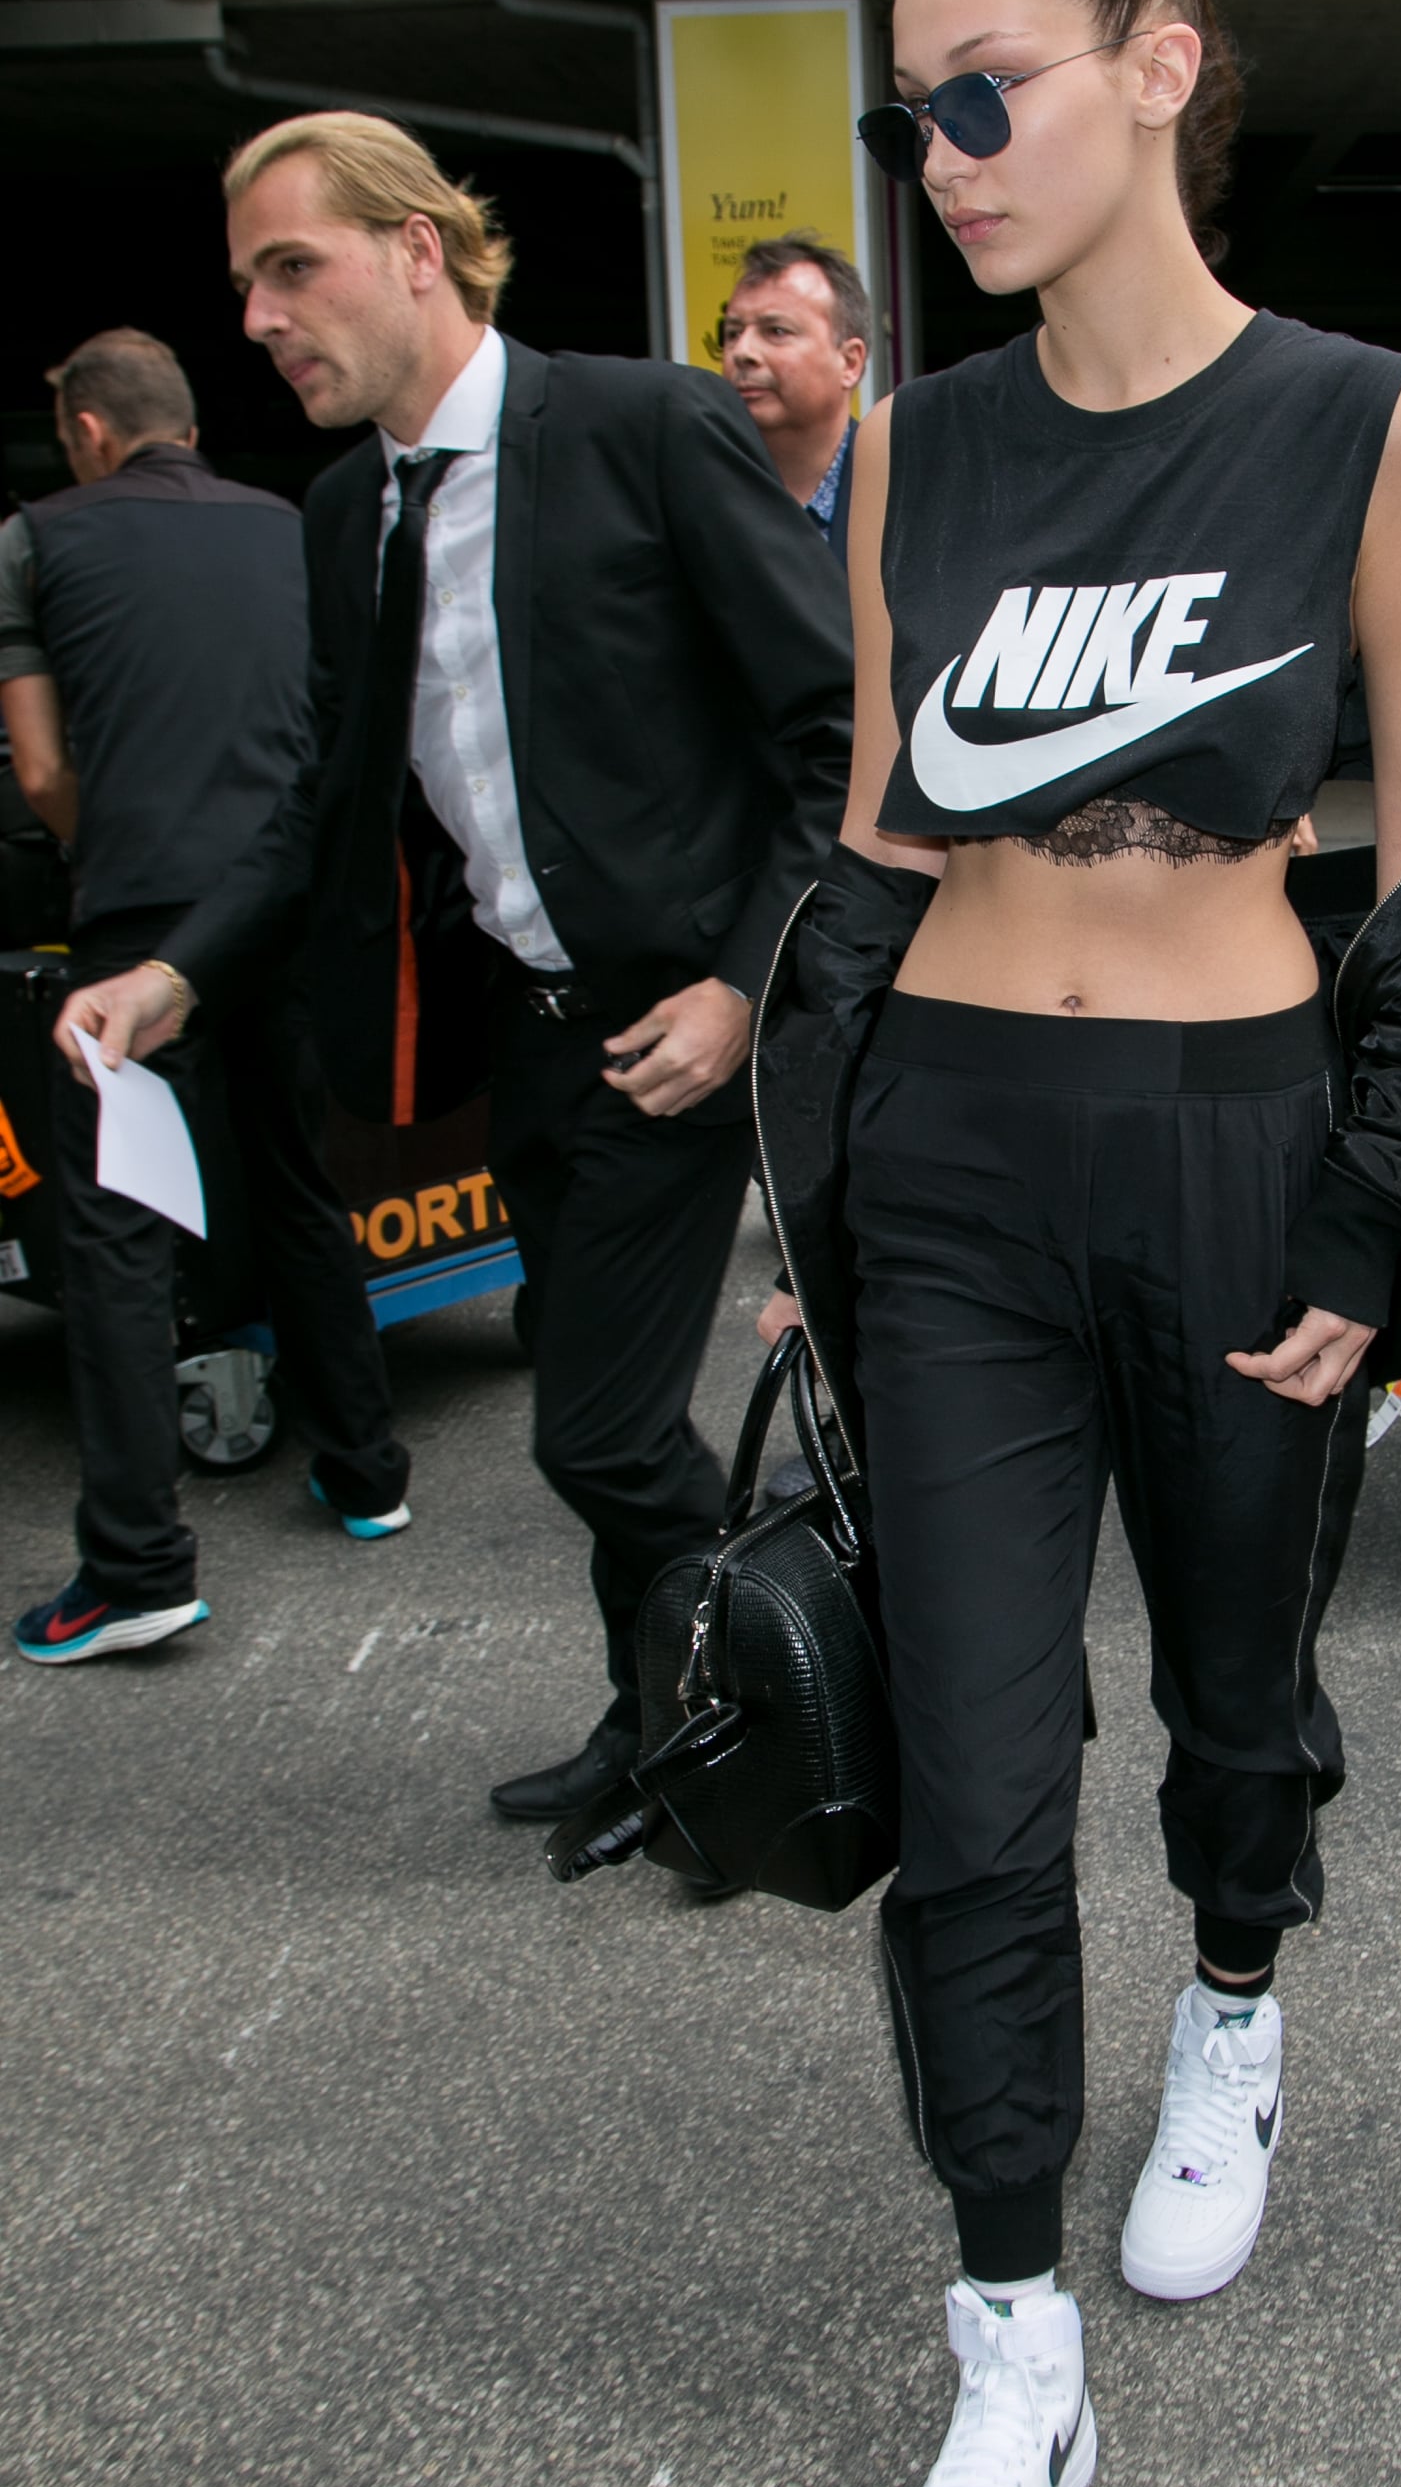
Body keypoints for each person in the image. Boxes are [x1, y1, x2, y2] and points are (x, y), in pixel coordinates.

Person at [752, 0, 1401, 2487]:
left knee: (1236, 1685)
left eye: (986, 95)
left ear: (1158, 70)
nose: (940, 156)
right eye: (913, 114)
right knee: (970, 1773)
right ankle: (1008, 2349)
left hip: (1239, 1128)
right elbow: (861, 839)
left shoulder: (1374, 419)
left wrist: (1380, 1182)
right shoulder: (912, 449)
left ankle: (1237, 1988)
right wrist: (800, 1176)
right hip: (950, 1148)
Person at [58, 123, 853, 1811]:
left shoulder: (645, 426)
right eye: (246, 285)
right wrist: (176, 977)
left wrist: (739, 987)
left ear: (419, 248)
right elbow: (319, 801)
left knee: (602, 1433)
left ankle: (806, 1711)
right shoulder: (350, 509)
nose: (263, 319)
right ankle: (659, 1734)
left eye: (295, 267)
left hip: (683, 1024)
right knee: (591, 1408)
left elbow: (840, 729)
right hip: (528, 1034)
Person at [2, 327, 409, 1664]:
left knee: (117, 1233)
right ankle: (365, 1470)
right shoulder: (289, 523)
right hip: (271, 910)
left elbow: (44, 768)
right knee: (294, 1180)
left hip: (136, 935)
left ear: (88, 431)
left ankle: (134, 1568)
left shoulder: (33, 539)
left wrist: (97, 850)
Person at [719, 231, 870, 556]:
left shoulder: (901, 496)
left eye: (776, 331)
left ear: (850, 362)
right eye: (732, 333)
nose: (742, 352)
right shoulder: (697, 493)